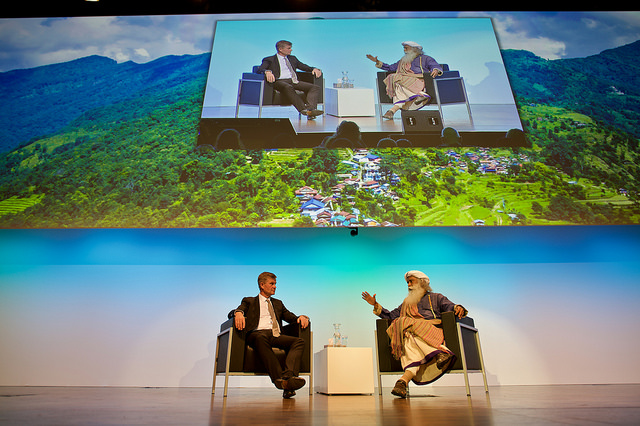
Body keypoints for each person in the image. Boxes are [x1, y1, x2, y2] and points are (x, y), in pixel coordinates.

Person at [361, 270, 468, 398]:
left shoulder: (436, 297)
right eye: (407, 282)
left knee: (403, 323)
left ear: (422, 282)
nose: (408, 285)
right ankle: (404, 381)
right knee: (407, 336)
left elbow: (450, 307)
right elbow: (390, 316)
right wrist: (375, 305)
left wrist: (457, 307)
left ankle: (404, 380)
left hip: (432, 332)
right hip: (413, 335)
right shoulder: (407, 302)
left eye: (411, 281)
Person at [229, 271, 310, 398]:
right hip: (257, 334)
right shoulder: (249, 301)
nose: (275, 286)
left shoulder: (278, 303)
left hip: (275, 335)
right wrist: (238, 313)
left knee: (298, 341)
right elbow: (237, 310)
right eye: (272, 283)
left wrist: (303, 317)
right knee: (261, 337)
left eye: (275, 284)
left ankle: (288, 377)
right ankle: (278, 378)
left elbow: (291, 317)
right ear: (262, 285)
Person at [367, 41, 443, 120]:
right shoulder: (403, 60)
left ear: (414, 49)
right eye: (404, 48)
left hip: (418, 80)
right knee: (396, 81)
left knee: (396, 78)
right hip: (404, 82)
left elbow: (434, 66)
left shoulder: (425, 58)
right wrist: (377, 61)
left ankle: (393, 110)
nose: (404, 50)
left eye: (406, 48)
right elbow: (391, 68)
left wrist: (436, 70)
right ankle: (419, 95)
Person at [258, 40, 324, 119]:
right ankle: (303, 109)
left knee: (314, 87)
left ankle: (311, 110)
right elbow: (260, 69)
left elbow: (303, 66)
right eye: (289, 48)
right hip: (279, 82)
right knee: (288, 87)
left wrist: (314, 68)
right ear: (280, 49)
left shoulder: (293, 58)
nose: (291, 50)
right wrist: (267, 71)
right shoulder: (269, 59)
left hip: (293, 81)